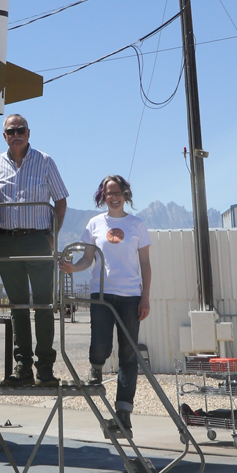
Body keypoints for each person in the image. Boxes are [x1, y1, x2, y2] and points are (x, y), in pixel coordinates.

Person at [59, 174, 151, 434]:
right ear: (102, 196)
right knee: (100, 343)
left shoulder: (137, 225)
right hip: (101, 293)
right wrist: (73, 268)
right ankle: (96, 368)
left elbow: (145, 264)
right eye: (109, 192)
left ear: (125, 194)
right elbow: (88, 259)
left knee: (128, 354)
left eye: (118, 191)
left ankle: (123, 412)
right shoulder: (94, 224)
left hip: (131, 296)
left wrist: (145, 296)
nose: (114, 196)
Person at [0, 113, 68, 386]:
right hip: (6, 242)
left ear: (29, 132)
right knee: (18, 306)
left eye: (20, 129)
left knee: (44, 305)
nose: (16, 134)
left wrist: (51, 236)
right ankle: (22, 367)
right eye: (11, 131)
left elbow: (60, 201)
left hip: (38, 240)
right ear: (4, 136)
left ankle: (45, 366)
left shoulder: (45, 161)